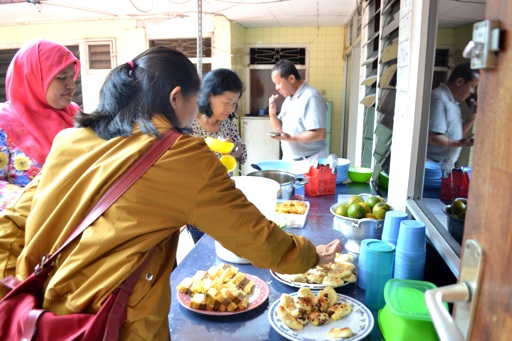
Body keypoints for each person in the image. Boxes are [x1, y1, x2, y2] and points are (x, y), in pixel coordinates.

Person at [0, 47, 342, 340]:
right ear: (176, 97)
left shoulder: (70, 139)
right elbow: (256, 239)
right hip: (114, 323)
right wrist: (310, 256)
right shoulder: (184, 155)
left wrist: (13, 284)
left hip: (41, 315)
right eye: (195, 100)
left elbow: (14, 221)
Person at [0, 39, 81, 211]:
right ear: (32, 77)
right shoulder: (3, 122)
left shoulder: (76, 116)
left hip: (79, 224)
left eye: (72, 76)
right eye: (61, 77)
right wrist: (44, 204)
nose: (71, 86)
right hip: (25, 229)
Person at [187, 68, 248, 243]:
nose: (230, 108)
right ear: (208, 96)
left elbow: (242, 155)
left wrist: (232, 148)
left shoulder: (227, 124)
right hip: (198, 205)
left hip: (224, 198)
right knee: (203, 248)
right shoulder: (189, 124)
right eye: (227, 102)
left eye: (234, 103)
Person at [268, 59, 328, 167]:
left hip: (310, 161)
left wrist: (291, 138)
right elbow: (280, 130)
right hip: (290, 160)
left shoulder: (311, 96)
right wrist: (272, 114)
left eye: (278, 83)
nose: (276, 88)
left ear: (291, 78)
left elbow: (320, 134)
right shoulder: (289, 99)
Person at [427, 63, 479, 174]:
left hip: (443, 166)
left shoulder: (452, 100)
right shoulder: (440, 98)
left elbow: (455, 136)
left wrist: (471, 119)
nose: (472, 92)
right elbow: (433, 138)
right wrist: (460, 143)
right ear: (459, 81)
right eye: (472, 86)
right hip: (433, 165)